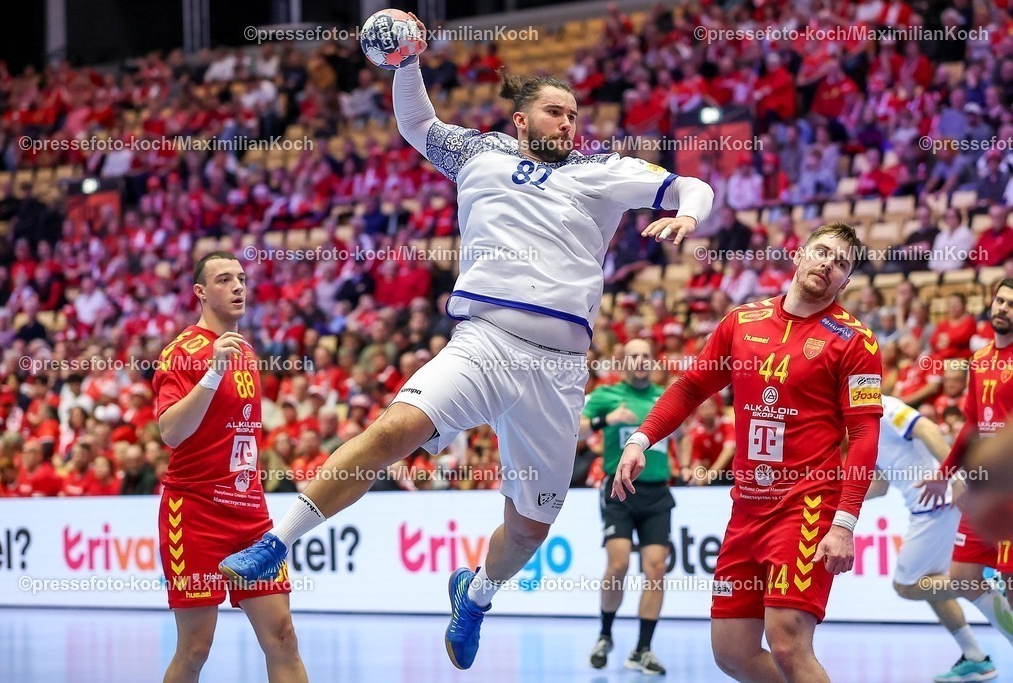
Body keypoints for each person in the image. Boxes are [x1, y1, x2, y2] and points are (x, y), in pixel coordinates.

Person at [220, 11, 713, 672]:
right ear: (521, 120)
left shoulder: (599, 175)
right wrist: (407, 65)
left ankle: (475, 594)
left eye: (574, 115)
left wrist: (685, 213)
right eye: (555, 113)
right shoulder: (480, 154)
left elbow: (692, 182)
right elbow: (418, 126)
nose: (569, 124)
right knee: (393, 430)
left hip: (559, 369)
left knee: (528, 530)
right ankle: (274, 542)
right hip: (482, 340)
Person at [613, 222, 883, 683]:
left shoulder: (855, 340)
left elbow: (863, 435)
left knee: (786, 641)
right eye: (822, 252)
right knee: (732, 653)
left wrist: (845, 523)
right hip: (746, 509)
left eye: (841, 262)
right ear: (798, 255)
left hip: (808, 504)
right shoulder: (743, 321)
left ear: (847, 281)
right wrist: (641, 439)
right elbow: (692, 386)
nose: (827, 264)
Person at [155, 251, 307, 683]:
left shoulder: (246, 351)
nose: (238, 286)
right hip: (195, 511)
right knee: (196, 647)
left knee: (282, 635)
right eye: (224, 280)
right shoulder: (181, 352)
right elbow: (170, 431)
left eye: (241, 278)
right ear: (201, 292)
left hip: (250, 518)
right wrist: (211, 372)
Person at [916, 280, 1013, 681]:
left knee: (1009, 583)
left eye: (1012, 304)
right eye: (1001, 299)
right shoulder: (979, 359)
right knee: (962, 577)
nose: (1004, 307)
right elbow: (973, 425)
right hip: (981, 484)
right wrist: (944, 474)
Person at [866, 395, 998, 682]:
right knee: (930, 582)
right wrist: (833, 498)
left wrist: (953, 478)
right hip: (929, 506)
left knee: (907, 586)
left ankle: (987, 583)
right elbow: (880, 486)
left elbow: (926, 428)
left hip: (937, 502)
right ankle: (975, 657)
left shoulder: (881, 404)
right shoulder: (859, 426)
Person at [580, 338, 673, 675]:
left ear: (653, 361)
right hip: (619, 490)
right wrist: (608, 419)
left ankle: (642, 650)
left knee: (656, 569)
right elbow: (573, 430)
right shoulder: (606, 395)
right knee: (618, 564)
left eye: (645, 355)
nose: (640, 360)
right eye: (633, 355)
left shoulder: (665, 397)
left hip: (657, 493)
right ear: (623, 360)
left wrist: (689, 463)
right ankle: (605, 635)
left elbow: (684, 432)